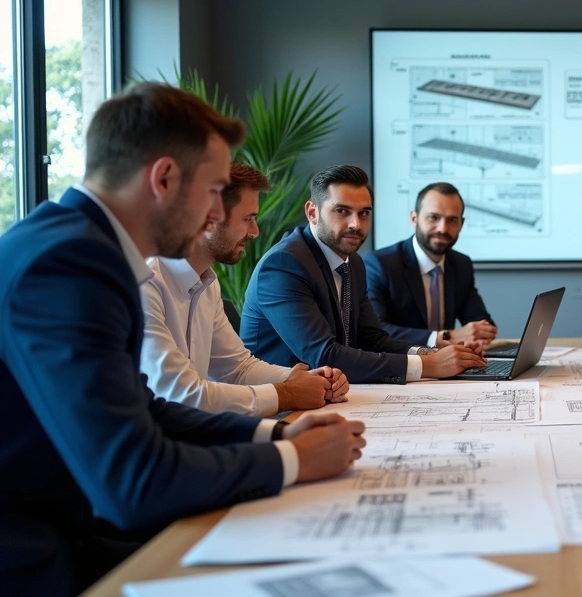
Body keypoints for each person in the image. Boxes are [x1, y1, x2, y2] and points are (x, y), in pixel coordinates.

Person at [0, 83, 365, 595]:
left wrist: (277, 436)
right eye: (214, 190)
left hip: (66, 525)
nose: (216, 214)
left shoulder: (70, 242)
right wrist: (295, 460)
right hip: (33, 555)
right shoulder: (71, 265)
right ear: (165, 179)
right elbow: (135, 480)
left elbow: (147, 408)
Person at [141, 161, 351, 416]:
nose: (255, 231)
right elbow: (179, 395)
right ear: (209, 217)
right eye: (248, 218)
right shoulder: (145, 282)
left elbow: (237, 369)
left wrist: (303, 379)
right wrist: (289, 393)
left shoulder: (207, 284)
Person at [241, 165, 487, 382]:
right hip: (278, 403)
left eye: (364, 213)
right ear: (312, 212)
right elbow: (324, 355)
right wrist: (429, 365)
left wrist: (437, 354)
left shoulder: (353, 262)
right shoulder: (284, 264)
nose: (356, 224)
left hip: (331, 393)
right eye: (342, 211)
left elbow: (373, 339)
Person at [366, 182, 497, 348]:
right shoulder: (379, 264)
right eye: (434, 217)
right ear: (414, 218)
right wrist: (443, 337)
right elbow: (376, 330)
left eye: (452, 220)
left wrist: (478, 338)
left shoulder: (461, 264)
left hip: (451, 361)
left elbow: (482, 324)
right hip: (403, 361)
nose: (443, 228)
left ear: (461, 224)